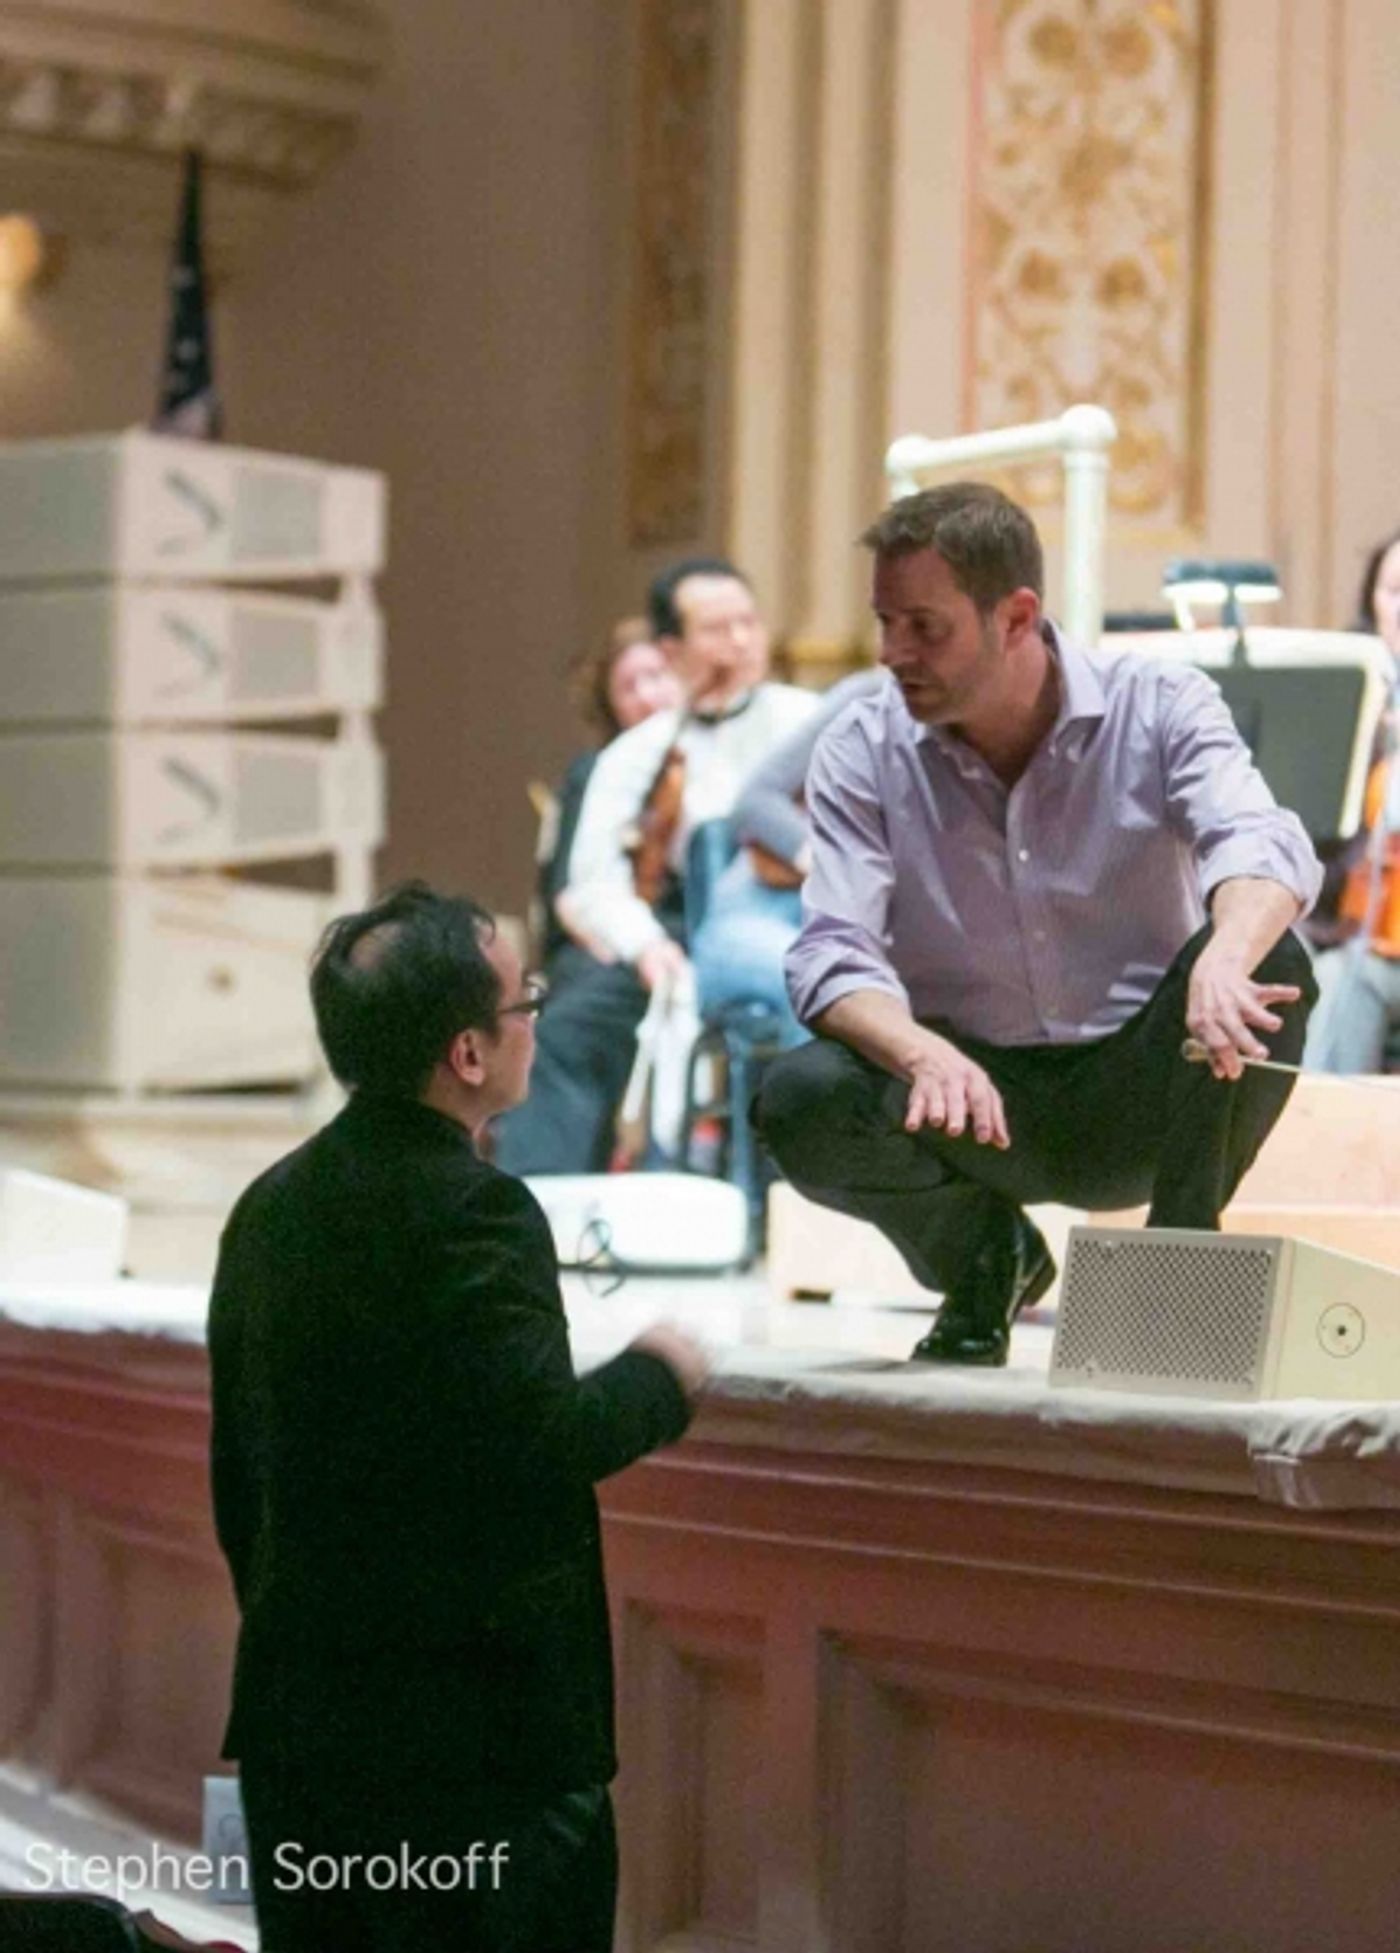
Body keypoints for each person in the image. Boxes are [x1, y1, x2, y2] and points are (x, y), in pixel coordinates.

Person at [207, 882, 709, 1951]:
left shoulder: (268, 1204)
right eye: (523, 999)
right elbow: (542, 1445)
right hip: (476, 1756)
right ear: (467, 1055)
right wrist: (659, 1377)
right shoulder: (476, 1208)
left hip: (304, 1726)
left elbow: (237, 1477)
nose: (535, 1015)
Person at [753, 483, 1321, 1366]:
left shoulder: (1161, 701)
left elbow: (1260, 839)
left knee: (1271, 959)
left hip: (1149, 1085)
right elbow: (833, 949)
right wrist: (916, 1050)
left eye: (924, 626)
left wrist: (1224, 955)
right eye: (884, 621)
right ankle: (988, 1256)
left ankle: (1176, 1268)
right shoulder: (861, 744)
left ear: (1016, 616)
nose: (893, 652)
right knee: (800, 1097)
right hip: (972, 1097)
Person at [495, 558, 817, 1175]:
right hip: (670, 928)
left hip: (791, 920)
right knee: (567, 1030)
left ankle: (786, 1207)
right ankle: (533, 1212)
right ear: (673, 648)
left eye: (748, 623)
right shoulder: (635, 753)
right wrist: (645, 947)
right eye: (717, 630)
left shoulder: (805, 718)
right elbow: (591, 883)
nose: (740, 643)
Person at [691, 665, 886, 1048]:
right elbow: (754, 801)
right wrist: (833, 863)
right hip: (751, 919)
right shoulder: (872, 697)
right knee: (827, 981)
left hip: (858, 940)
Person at [1303, 528, 1400, 1073]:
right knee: (1344, 979)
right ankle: (1321, 1150)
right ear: (1373, 602)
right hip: (1371, 939)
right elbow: (1313, 840)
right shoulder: (1346, 699)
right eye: (1394, 591)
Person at [537, 617, 683, 969]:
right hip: (608, 947)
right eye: (629, 687)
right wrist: (632, 952)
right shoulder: (591, 773)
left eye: (657, 676)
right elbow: (568, 898)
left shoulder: (712, 758)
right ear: (611, 706)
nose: (647, 697)